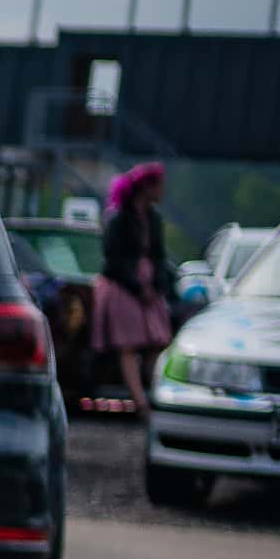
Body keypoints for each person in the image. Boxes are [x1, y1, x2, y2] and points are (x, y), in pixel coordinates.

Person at [95, 162, 175, 414]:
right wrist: (138, 287)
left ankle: (154, 393)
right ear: (146, 187)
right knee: (127, 344)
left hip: (149, 288)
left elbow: (160, 256)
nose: (162, 191)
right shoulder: (119, 217)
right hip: (123, 287)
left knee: (158, 341)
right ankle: (140, 401)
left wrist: (157, 285)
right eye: (159, 185)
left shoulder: (153, 219)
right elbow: (113, 258)